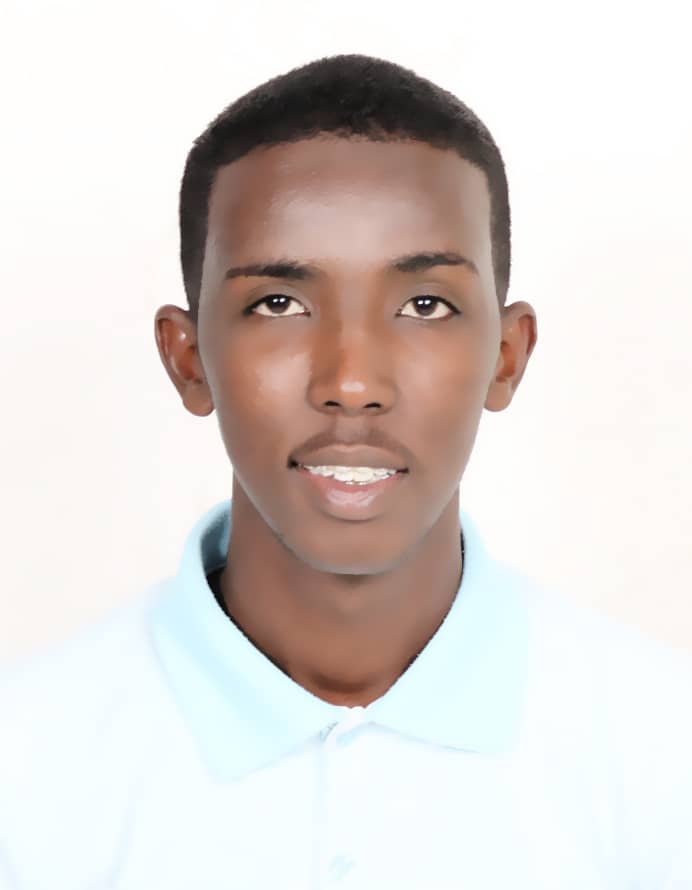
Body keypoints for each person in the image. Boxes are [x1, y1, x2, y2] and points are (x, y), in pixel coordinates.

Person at [1, 53, 691, 890]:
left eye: (425, 305)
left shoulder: (665, 754)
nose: (353, 384)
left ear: (507, 357)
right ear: (188, 360)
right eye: (279, 304)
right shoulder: (25, 767)